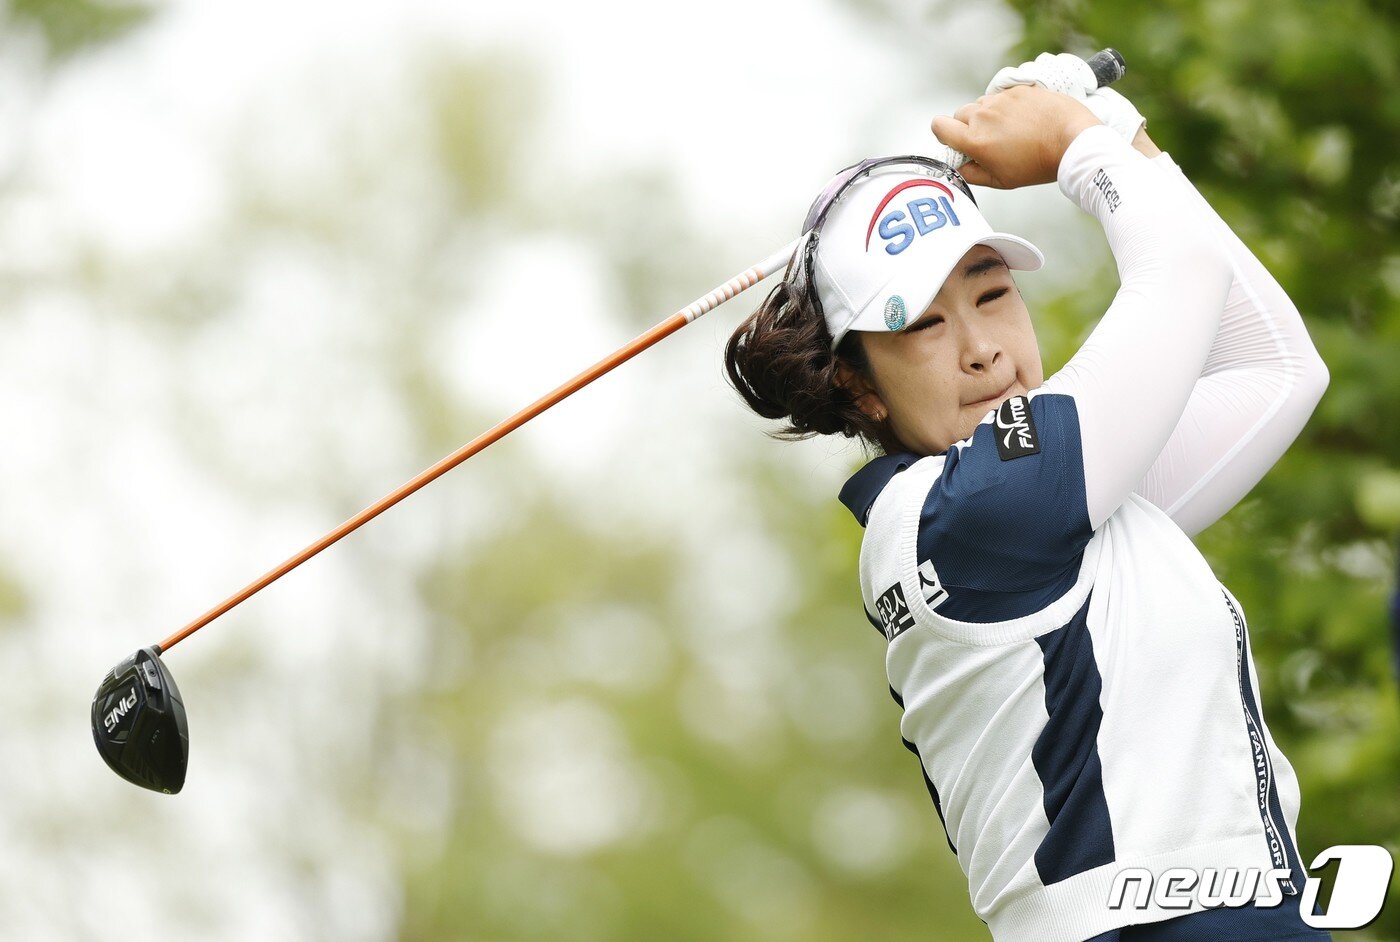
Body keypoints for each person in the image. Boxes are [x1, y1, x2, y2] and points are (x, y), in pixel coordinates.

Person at [724, 54, 1332, 942]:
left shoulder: (1056, 503)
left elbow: (1273, 366)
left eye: (993, 294)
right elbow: (1183, 270)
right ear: (860, 389)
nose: (981, 349)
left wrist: (1115, 128)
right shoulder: (981, 512)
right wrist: (1079, 144)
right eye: (923, 324)